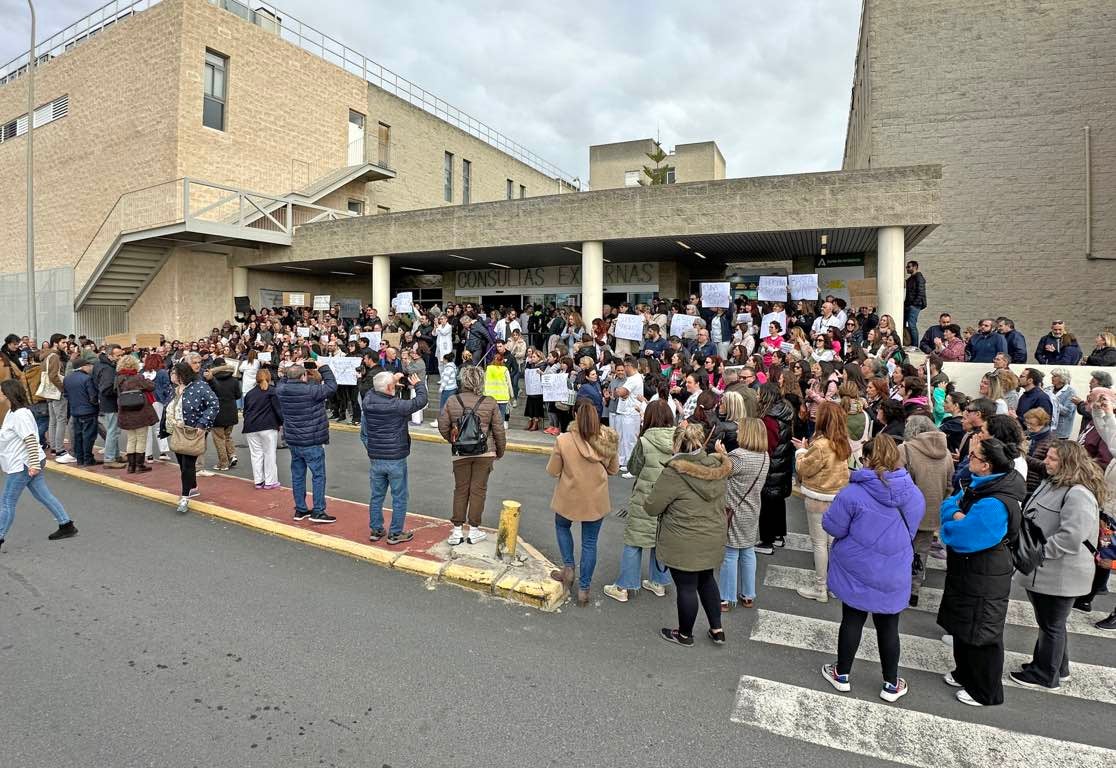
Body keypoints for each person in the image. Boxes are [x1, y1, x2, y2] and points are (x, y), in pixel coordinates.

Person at [820, 434, 924, 702]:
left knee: (852, 619)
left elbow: (833, 526)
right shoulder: (913, 494)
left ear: (867, 459)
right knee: (889, 626)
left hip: (858, 565)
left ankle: (841, 673)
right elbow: (912, 529)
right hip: (894, 567)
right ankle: (891, 682)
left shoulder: (853, 492)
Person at [938, 436, 1027, 707]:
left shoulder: (995, 502)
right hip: (971, 570)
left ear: (986, 465)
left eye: (974, 456)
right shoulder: (983, 486)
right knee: (965, 624)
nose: (969, 459)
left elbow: (963, 536)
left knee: (982, 631)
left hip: (985, 572)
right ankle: (964, 673)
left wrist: (953, 517)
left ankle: (985, 690)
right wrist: (955, 513)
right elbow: (949, 503)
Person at [1010, 440, 1103, 690]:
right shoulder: (1055, 482)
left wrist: (1037, 554)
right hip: (1047, 570)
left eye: (1052, 459)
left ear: (1068, 463)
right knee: (1051, 623)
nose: (1046, 462)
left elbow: (1072, 536)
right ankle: (1056, 668)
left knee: (1051, 624)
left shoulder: (1078, 493)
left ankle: (1045, 675)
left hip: (1060, 572)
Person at [645, 421, 733, 647]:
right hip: (713, 534)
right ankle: (717, 629)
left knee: (686, 587)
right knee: (706, 580)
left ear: (676, 443)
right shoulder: (715, 465)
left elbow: (652, 507)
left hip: (684, 539)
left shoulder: (674, 472)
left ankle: (685, 634)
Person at [546, 400, 619, 606]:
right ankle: (584, 589)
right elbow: (614, 470)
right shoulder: (608, 438)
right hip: (596, 499)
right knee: (590, 543)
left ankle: (568, 568)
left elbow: (553, 470)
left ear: (575, 414)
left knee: (562, 526)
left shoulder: (563, 440)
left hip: (569, 496)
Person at [603, 400, 675, 603]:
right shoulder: (679, 439)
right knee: (659, 540)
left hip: (646, 496)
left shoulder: (645, 441)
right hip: (670, 497)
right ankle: (658, 582)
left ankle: (625, 585)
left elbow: (634, 468)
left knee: (634, 540)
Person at [0, 378, 77, 551]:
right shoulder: (13, 412)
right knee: (43, 495)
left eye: (0, 391)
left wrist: (34, 465)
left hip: (24, 464)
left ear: (8, 394)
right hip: (25, 462)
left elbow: (31, 441)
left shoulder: (20, 415)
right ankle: (66, 525)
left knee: (6, 502)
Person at [437, 365, 506, 545]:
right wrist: (499, 451)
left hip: (461, 452)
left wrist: (454, 441)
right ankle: (474, 529)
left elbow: (442, 426)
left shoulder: (453, 401)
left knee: (460, 489)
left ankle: (457, 530)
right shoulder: (490, 402)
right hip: (485, 451)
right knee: (478, 490)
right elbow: (499, 430)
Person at [792, 401, 852, 602]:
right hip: (838, 496)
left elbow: (803, 469)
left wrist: (801, 451)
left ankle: (820, 588)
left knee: (819, 544)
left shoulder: (821, 445)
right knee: (833, 544)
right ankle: (833, 585)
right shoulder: (843, 442)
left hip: (818, 496)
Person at [363, 371, 428, 544]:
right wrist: (419, 385)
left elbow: (372, 389)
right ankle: (395, 532)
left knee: (377, 495)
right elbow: (421, 401)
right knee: (399, 496)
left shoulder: (368, 401)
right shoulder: (397, 405)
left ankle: (376, 529)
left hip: (376, 456)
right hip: (395, 457)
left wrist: (391, 381)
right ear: (390, 387)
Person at [717, 417, 770, 610]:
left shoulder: (738, 456)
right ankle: (748, 595)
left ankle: (726, 597)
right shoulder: (765, 456)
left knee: (730, 553)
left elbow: (723, 472)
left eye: (740, 430)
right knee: (748, 551)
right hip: (753, 508)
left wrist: (722, 454)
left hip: (733, 508)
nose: (737, 433)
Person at [900, 415, 953, 606]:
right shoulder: (946, 453)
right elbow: (949, 485)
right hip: (932, 510)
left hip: (905, 513)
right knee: (920, 552)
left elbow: (896, 481)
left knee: (900, 550)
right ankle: (913, 591)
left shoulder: (905, 449)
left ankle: (898, 586)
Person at [276, 363, 338, 525]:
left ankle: (301, 508)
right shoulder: (312, 391)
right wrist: (323, 367)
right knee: (318, 475)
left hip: (293, 440)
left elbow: (283, 380)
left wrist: (288, 370)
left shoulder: (282, 390)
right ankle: (318, 510)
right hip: (312, 440)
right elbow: (332, 386)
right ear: (304, 376)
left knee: (298, 475)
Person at [164, 362, 219, 514]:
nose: (171, 376)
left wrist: (202, 424)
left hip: (192, 431)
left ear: (182, 375)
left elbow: (214, 405)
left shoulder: (200, 387)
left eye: (174, 374)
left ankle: (184, 496)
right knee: (182, 463)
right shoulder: (174, 389)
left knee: (188, 465)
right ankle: (192, 487)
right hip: (176, 431)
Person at [756, 382, 794, 555]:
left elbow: (768, 444)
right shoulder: (784, 410)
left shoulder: (769, 417)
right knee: (778, 501)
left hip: (772, 463)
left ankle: (767, 541)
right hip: (783, 460)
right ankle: (779, 535)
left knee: (768, 503)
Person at [114, 355, 156, 474]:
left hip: (125, 412)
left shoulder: (118, 378)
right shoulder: (138, 377)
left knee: (131, 439)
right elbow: (151, 386)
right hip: (140, 411)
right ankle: (139, 465)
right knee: (141, 438)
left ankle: (131, 466)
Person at [241, 369, 282, 489]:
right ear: (269, 378)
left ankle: (258, 481)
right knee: (269, 454)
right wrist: (281, 423)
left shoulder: (250, 393)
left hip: (251, 427)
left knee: (256, 454)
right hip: (268, 426)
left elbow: (245, 411)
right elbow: (278, 410)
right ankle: (270, 481)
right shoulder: (272, 391)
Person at [62, 352, 100, 466]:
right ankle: (88, 458)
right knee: (89, 436)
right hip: (89, 411)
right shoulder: (87, 379)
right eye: (89, 366)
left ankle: (80, 458)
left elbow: (66, 395)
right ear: (83, 366)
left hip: (75, 411)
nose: (91, 368)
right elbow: (93, 396)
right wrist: (96, 405)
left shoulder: (67, 379)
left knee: (78, 436)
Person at [93, 343, 127, 469]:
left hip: (106, 402)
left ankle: (115, 455)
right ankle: (109, 458)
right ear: (109, 355)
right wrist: (119, 390)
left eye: (121, 355)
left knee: (113, 430)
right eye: (118, 356)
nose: (120, 358)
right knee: (113, 431)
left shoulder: (100, 365)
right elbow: (106, 389)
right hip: (110, 403)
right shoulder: (108, 369)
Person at [206, 357, 241, 471]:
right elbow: (238, 395)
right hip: (231, 410)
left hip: (217, 412)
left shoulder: (211, 380)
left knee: (219, 438)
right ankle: (232, 455)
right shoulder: (234, 380)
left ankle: (223, 463)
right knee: (227, 435)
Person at [903, 260, 926, 347]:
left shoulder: (918, 277)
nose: (907, 269)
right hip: (909, 305)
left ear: (915, 267)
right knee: (906, 324)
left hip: (914, 306)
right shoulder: (910, 279)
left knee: (912, 325)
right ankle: (907, 342)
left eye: (908, 267)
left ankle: (915, 346)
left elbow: (921, 292)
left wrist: (914, 304)